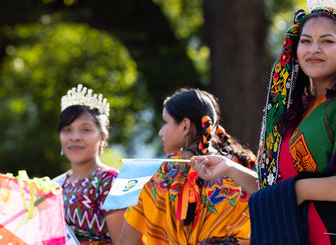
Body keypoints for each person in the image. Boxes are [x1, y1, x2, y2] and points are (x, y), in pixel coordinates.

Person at [191, 0, 336, 244]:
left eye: (327, 41)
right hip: (296, 230)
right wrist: (230, 168)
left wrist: (297, 190)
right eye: (306, 41)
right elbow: (278, 191)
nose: (313, 50)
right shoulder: (298, 109)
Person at [120, 88, 256, 245]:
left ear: (185, 126)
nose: (160, 132)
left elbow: (127, 241)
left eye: (165, 122)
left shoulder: (152, 173)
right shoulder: (244, 167)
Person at [53, 84, 125, 244]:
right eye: (67, 130)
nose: (75, 137)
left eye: (85, 129)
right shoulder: (57, 185)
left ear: (103, 138)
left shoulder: (109, 180)